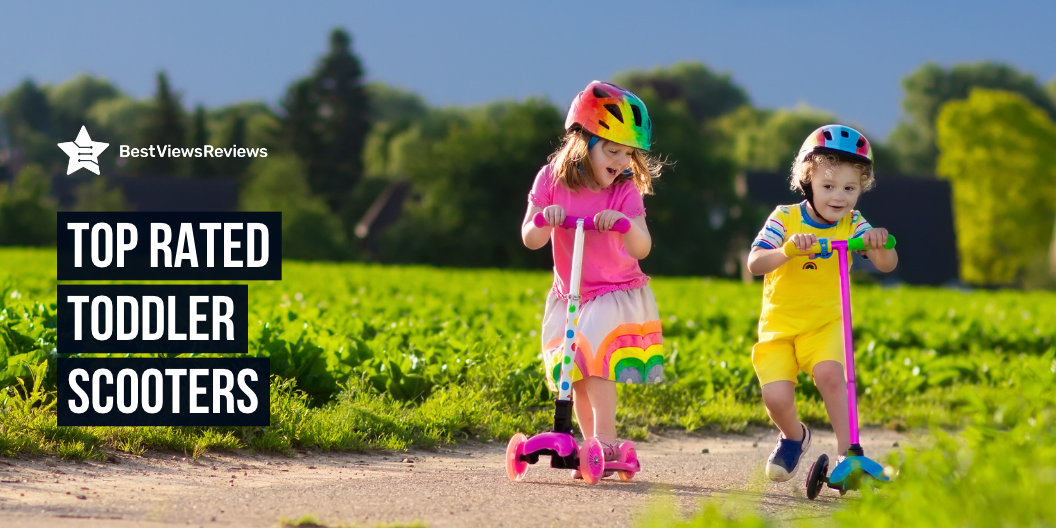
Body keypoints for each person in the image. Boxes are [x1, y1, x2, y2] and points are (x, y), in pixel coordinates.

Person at [521, 81, 664, 477]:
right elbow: (530, 240)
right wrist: (543, 220)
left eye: (628, 154)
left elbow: (642, 247)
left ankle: (606, 437)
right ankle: (590, 445)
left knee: (597, 357)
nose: (620, 162)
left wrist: (621, 223)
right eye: (612, 151)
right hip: (570, 293)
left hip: (613, 291)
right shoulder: (550, 179)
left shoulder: (624, 191)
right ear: (583, 142)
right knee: (574, 371)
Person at [745, 124, 898, 482]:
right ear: (807, 182)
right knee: (776, 397)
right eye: (829, 186)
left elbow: (887, 264)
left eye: (850, 188)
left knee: (832, 376)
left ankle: (850, 456)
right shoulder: (785, 218)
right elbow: (754, 263)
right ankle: (794, 437)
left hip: (826, 323)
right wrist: (786, 250)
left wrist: (878, 243)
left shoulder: (854, 223)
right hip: (780, 326)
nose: (839, 197)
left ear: (862, 189)